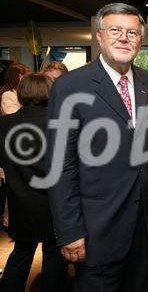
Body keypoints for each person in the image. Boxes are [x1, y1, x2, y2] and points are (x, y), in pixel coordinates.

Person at [46, 3, 148, 292]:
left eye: (132, 32)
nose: (124, 37)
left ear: (140, 40)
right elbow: (60, 164)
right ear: (99, 36)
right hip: (96, 231)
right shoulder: (71, 86)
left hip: (145, 231)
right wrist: (70, 230)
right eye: (115, 30)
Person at [0, 73, 68, 292]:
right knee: (54, 256)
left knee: (21, 253)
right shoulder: (61, 124)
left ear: (21, 94)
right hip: (54, 204)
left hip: (20, 201)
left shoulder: (4, 124)